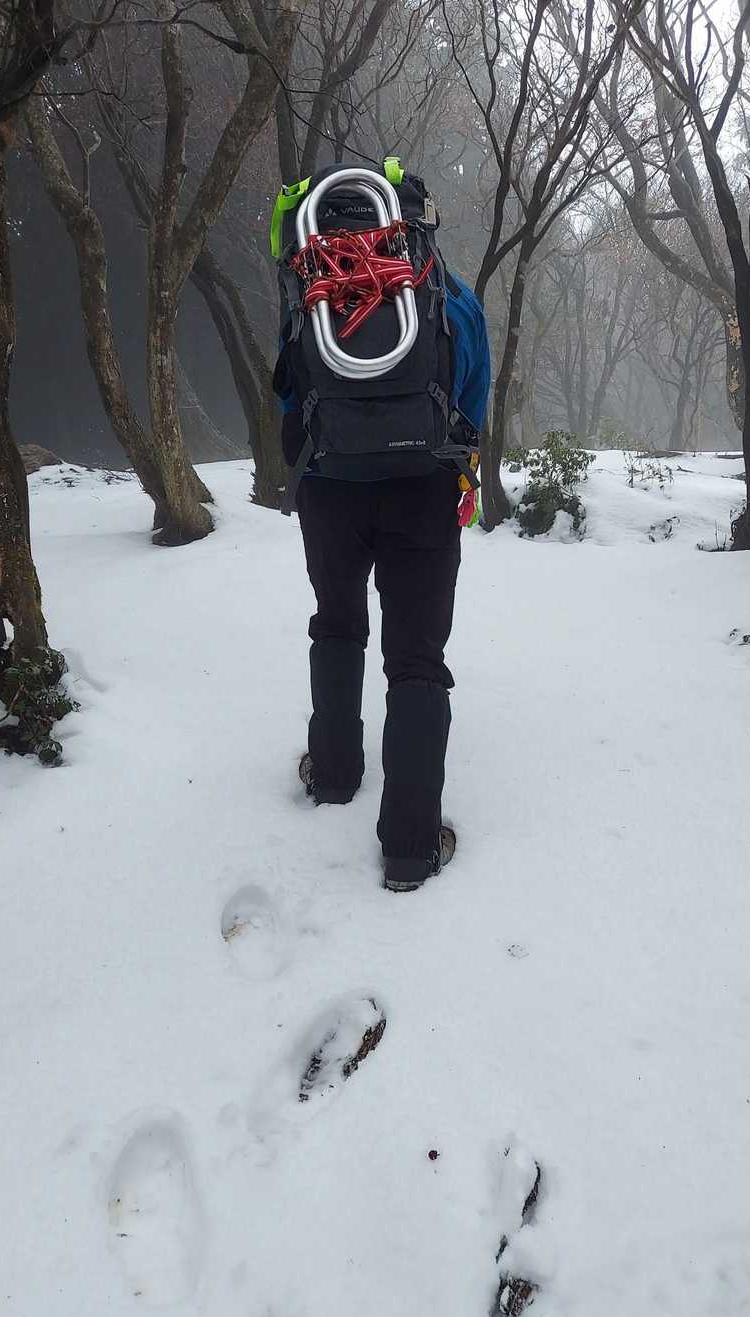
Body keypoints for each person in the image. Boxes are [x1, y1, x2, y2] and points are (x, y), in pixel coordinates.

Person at [275, 167, 490, 893]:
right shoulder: (448, 298)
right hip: (425, 493)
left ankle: (334, 775)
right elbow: (472, 400)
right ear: (415, 224)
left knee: (337, 625)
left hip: (330, 491)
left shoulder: (312, 294)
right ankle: (409, 849)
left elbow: (290, 395)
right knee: (417, 661)